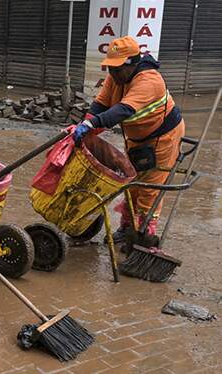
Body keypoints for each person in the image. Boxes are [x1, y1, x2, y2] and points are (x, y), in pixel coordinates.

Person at [73, 35, 185, 242]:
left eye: (116, 69)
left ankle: (143, 233)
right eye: (110, 69)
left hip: (162, 138)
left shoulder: (150, 81)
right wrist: (85, 122)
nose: (112, 73)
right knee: (131, 182)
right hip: (136, 137)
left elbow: (123, 110)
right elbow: (101, 104)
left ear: (131, 64)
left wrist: (92, 124)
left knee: (149, 188)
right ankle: (127, 228)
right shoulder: (116, 77)